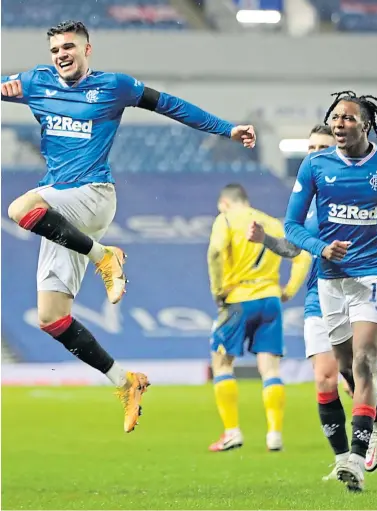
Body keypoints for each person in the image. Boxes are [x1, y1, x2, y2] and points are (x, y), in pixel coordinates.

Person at [1, 20, 256, 434]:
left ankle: (106, 257)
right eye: (55, 50)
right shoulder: (34, 82)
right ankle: (125, 380)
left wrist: (226, 129)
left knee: (20, 207)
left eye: (69, 47)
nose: (61, 55)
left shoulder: (114, 86)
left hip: (94, 195)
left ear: (87, 50)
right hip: (60, 209)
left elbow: (170, 104)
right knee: (51, 319)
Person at [283, 91, 377, 491]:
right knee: (346, 370)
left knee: (365, 360)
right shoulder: (315, 165)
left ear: (365, 125)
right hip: (330, 280)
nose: (338, 124)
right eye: (334, 117)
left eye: (347, 118)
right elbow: (291, 226)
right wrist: (320, 248)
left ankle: (354, 458)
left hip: (374, 279)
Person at [247, 124, 377, 480]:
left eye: (323, 146)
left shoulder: (354, 191)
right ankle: (347, 456)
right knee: (325, 379)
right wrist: (265, 240)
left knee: (352, 378)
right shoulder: (308, 203)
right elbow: (292, 246)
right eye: (312, 148)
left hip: (360, 291)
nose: (317, 153)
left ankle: (363, 439)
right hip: (321, 294)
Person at [207, 184, 311, 452]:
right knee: (270, 369)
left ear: (225, 202)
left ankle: (232, 431)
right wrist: (289, 289)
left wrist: (218, 289)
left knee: (222, 362)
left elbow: (216, 250)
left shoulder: (226, 219)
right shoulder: (272, 223)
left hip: (239, 299)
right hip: (271, 300)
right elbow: (302, 257)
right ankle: (274, 434)